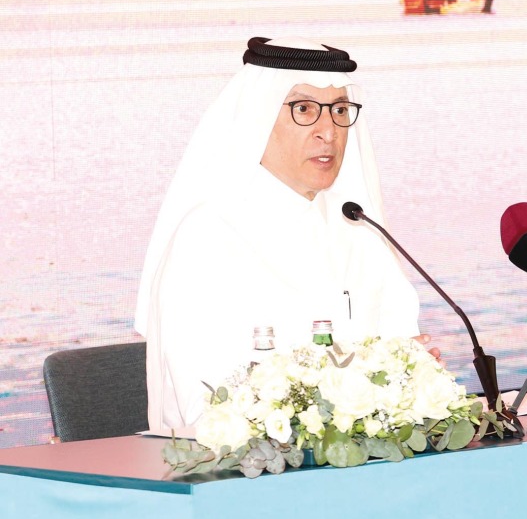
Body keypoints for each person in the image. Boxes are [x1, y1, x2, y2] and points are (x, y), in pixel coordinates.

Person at [135, 37, 424, 435]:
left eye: (340, 110)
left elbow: (403, 346)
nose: (329, 131)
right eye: (304, 109)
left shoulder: (356, 226)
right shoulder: (207, 238)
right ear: (259, 118)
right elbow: (207, 409)